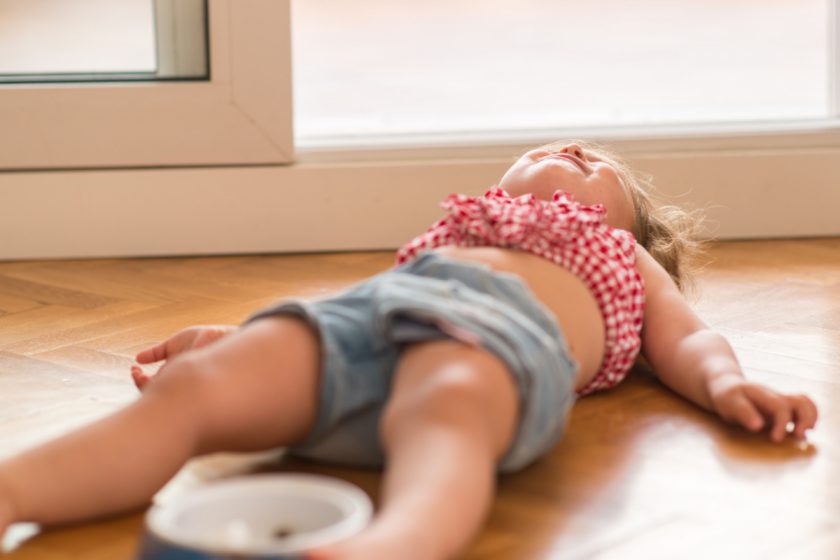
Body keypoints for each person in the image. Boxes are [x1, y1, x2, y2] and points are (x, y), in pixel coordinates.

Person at [0, 142, 819, 560]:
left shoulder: (620, 257)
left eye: (602, 165)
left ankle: (396, 543)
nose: (575, 151)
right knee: (205, 388)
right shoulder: (456, 229)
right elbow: (355, 312)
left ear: (633, 229)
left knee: (450, 400)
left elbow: (691, 339)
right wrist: (245, 338)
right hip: (375, 326)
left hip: (492, 345)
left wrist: (728, 385)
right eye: (556, 144)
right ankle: (17, 489)